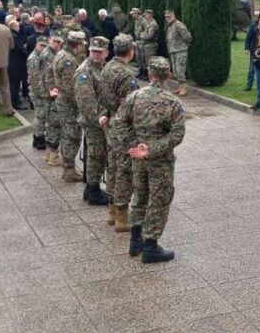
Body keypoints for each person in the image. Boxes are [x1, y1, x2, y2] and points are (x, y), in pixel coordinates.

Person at [118, 56, 186, 264]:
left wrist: (133, 146)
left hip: (138, 157)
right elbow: (177, 134)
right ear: (168, 76)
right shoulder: (173, 102)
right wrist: (151, 149)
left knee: (140, 194)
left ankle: (135, 239)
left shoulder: (134, 97)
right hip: (160, 160)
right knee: (159, 199)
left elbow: (119, 122)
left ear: (149, 75)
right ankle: (150, 246)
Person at [99, 34, 138, 232]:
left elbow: (102, 97)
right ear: (131, 50)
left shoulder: (106, 67)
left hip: (112, 125)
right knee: (124, 171)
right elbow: (132, 106)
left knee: (113, 168)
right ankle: (122, 217)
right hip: (123, 128)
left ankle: (112, 211)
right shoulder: (126, 74)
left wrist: (105, 113)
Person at [75, 36, 110, 206]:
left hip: (100, 118)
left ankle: (90, 189)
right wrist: (100, 121)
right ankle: (93, 191)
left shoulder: (102, 68)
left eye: (99, 52)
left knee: (97, 154)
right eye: (93, 51)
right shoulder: (85, 71)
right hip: (93, 121)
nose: (96, 55)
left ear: (106, 53)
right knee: (96, 155)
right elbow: (86, 102)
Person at [50, 27, 86, 182]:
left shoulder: (61, 54)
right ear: (76, 44)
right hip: (68, 103)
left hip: (62, 100)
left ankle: (67, 168)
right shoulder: (68, 60)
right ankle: (69, 169)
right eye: (82, 45)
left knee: (67, 134)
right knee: (72, 135)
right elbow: (70, 87)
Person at [40, 32, 64, 165]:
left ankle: (50, 152)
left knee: (51, 123)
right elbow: (48, 76)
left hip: (48, 92)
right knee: (54, 123)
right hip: (50, 94)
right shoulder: (48, 55)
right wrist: (52, 90)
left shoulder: (50, 53)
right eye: (54, 41)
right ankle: (53, 155)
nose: (57, 44)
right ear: (49, 40)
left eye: (59, 42)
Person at [27, 36, 48, 149]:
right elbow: (35, 80)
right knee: (40, 115)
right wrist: (41, 94)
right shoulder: (34, 59)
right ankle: (39, 138)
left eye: (45, 46)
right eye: (41, 45)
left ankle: (37, 136)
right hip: (37, 92)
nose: (43, 48)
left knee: (41, 115)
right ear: (36, 45)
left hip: (42, 91)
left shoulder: (43, 57)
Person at [165, 10, 192, 97]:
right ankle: (180, 87)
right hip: (173, 51)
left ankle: (183, 88)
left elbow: (188, 37)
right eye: (166, 17)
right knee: (176, 71)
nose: (167, 18)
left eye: (169, 16)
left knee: (180, 70)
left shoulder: (179, 25)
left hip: (180, 51)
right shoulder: (170, 26)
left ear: (174, 16)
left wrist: (183, 46)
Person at [7, 19, 29, 110]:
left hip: (11, 62)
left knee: (13, 84)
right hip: (16, 64)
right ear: (14, 27)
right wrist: (25, 50)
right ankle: (15, 102)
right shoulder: (15, 37)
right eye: (17, 26)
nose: (19, 28)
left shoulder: (10, 35)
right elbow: (20, 50)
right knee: (15, 84)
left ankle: (14, 100)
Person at [138, 9, 159, 81]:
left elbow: (150, 35)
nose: (145, 16)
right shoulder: (148, 23)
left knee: (150, 62)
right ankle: (147, 75)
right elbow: (143, 32)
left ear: (150, 14)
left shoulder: (153, 24)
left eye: (146, 15)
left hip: (151, 45)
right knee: (145, 61)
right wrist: (143, 34)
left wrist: (142, 36)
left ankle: (152, 77)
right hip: (146, 45)